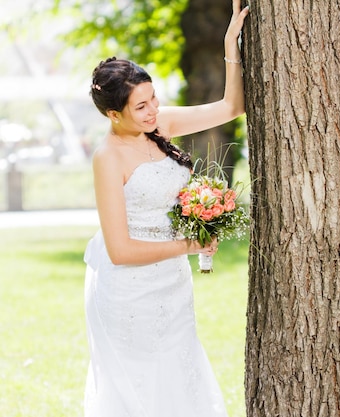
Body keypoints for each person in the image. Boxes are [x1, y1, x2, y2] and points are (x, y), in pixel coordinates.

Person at [82, 2, 249, 416]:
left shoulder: (160, 126)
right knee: (139, 394)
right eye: (141, 107)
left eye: (154, 98)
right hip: (128, 295)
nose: (153, 110)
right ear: (113, 114)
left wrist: (231, 44)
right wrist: (189, 246)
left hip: (173, 288)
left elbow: (231, 108)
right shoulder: (108, 157)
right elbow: (120, 251)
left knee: (179, 383)